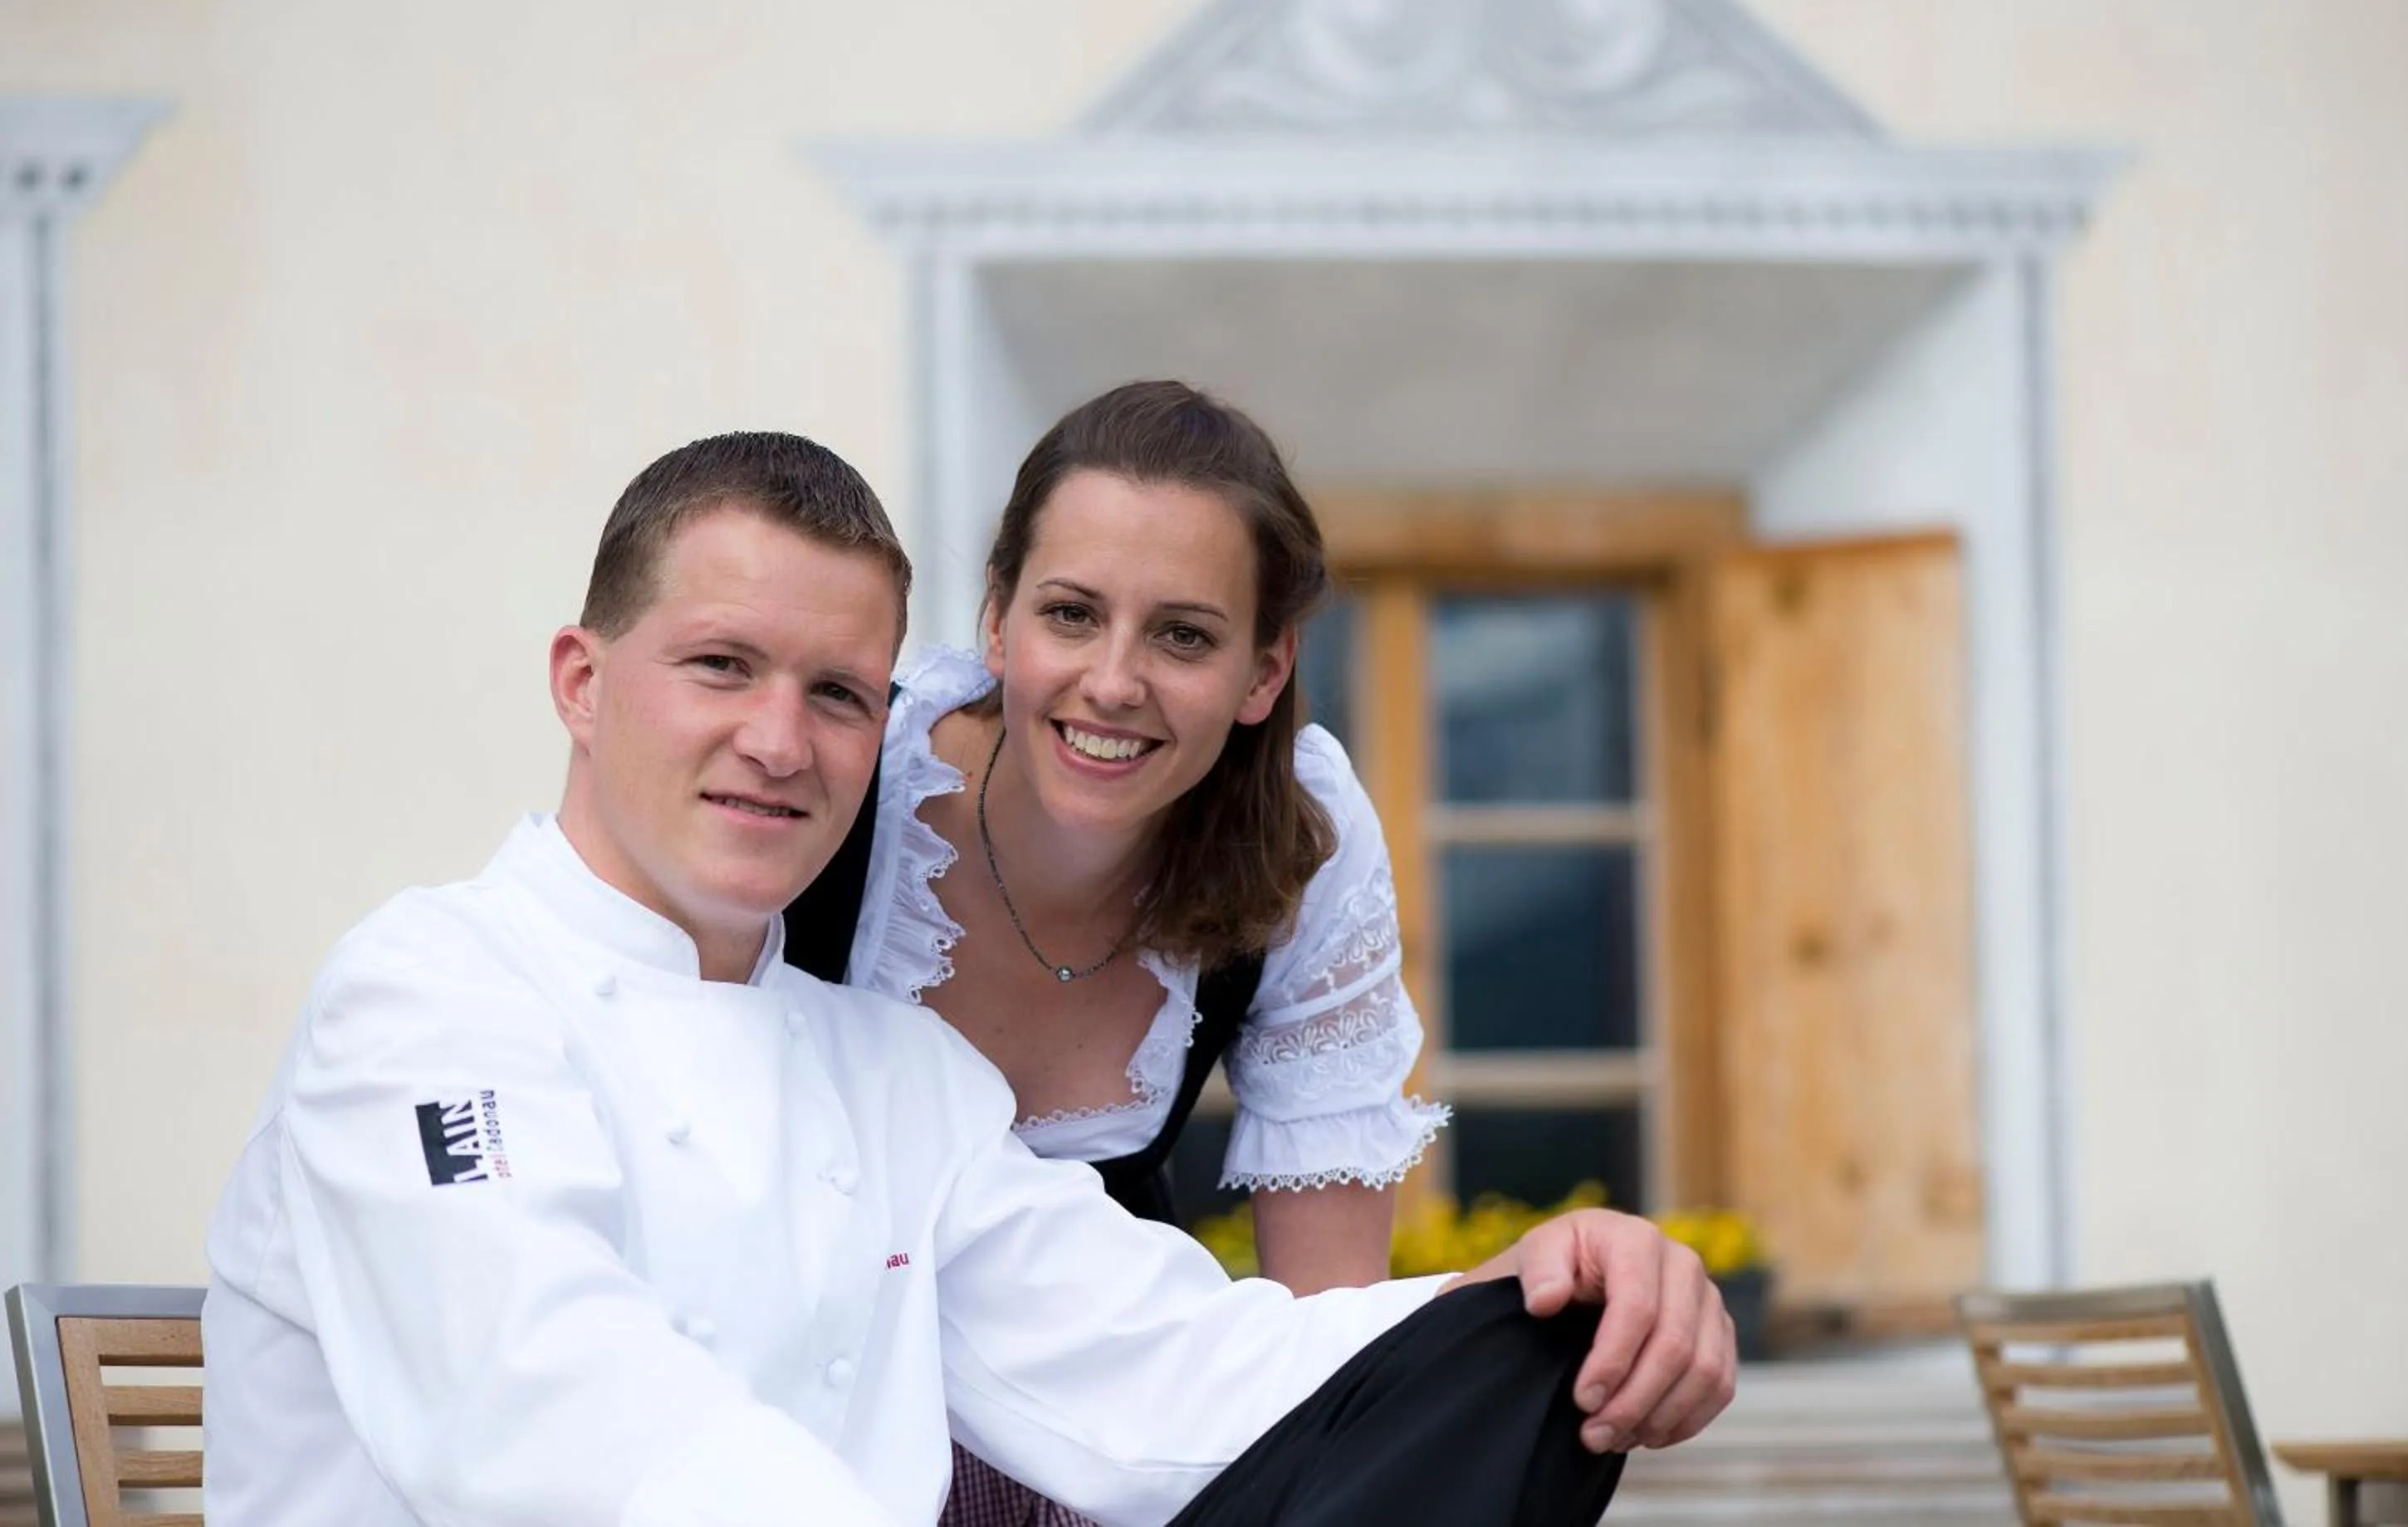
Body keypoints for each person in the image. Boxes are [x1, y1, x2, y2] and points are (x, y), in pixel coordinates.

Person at [203, 431, 1736, 1527]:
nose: (780, 740)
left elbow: (1174, 1371)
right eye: (721, 665)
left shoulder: (889, 1070)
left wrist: (1532, 1297)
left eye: (837, 694)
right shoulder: (422, 999)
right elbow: (545, 1413)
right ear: (582, 681)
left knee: (1510, 1381)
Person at [780, 381, 1444, 1525]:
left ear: (1265, 670)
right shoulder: (837, 776)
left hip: (1110, 1451)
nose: (1115, 680)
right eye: (1073, 613)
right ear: (998, 617)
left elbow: (1322, 1328)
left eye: (1183, 634)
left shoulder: (1301, 844)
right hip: (811, 1430)